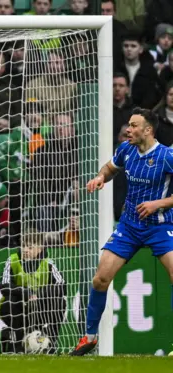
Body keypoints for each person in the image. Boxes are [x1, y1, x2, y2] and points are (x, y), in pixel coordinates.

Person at [71, 108, 173, 355]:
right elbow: (109, 167)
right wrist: (99, 178)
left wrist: (157, 204)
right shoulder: (126, 149)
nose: (128, 129)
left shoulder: (167, 156)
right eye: (128, 124)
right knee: (101, 278)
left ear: (148, 130)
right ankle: (90, 337)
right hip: (128, 226)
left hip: (160, 226)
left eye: (134, 125)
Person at [0, 230, 66, 354]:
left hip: (40, 307)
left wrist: (40, 295)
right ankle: (17, 342)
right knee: (10, 301)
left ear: (40, 249)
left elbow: (61, 285)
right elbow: (4, 285)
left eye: (30, 247)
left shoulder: (48, 263)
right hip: (19, 306)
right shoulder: (12, 260)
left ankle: (51, 342)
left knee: (60, 302)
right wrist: (25, 293)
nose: (25, 250)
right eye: (24, 246)